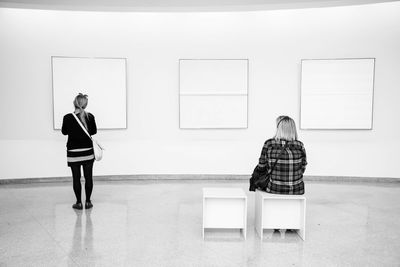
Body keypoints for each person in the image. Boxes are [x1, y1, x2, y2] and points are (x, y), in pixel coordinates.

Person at [250, 115, 307, 195]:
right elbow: (303, 168)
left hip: (274, 188)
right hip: (297, 190)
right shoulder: (300, 145)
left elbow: (261, 167)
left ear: (279, 129)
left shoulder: (269, 144)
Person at [62, 93, 97, 210]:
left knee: (76, 178)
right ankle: (87, 202)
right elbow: (93, 132)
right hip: (87, 152)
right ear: (85, 104)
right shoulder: (90, 117)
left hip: (73, 153)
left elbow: (64, 132)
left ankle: (78, 203)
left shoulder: (67, 117)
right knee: (88, 177)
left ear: (74, 103)